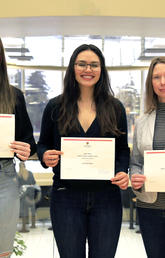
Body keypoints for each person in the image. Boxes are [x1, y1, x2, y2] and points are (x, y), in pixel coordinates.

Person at [37, 44, 130, 258]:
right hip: (66, 197)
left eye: (94, 65)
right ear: (73, 68)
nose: (88, 70)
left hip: (107, 197)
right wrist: (44, 155)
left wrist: (122, 171)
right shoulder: (55, 106)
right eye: (82, 64)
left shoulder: (115, 108)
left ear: (101, 70)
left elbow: (122, 150)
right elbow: (42, 145)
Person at [0, 38, 36, 257]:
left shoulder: (13, 96)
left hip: (3, 178)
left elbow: (29, 142)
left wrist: (24, 150)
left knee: (2, 250)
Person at [130, 56, 165, 258]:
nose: (162, 82)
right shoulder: (142, 121)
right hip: (149, 207)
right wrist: (136, 178)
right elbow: (136, 161)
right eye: (156, 77)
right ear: (150, 82)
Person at [18, 161, 38, 233]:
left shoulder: (19, 175)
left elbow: (18, 186)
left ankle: (24, 227)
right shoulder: (30, 173)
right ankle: (33, 225)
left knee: (24, 211)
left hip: (24, 195)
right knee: (32, 209)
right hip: (31, 194)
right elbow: (34, 182)